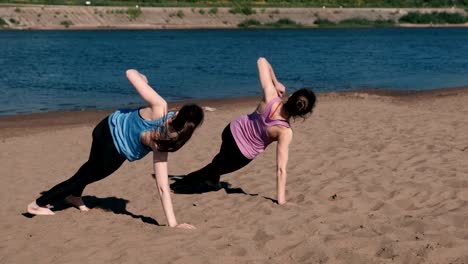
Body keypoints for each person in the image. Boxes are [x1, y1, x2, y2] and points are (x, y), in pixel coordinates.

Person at [27, 69, 204, 229]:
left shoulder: (160, 109)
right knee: (85, 175)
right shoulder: (165, 138)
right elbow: (163, 186)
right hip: (110, 144)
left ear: (179, 111)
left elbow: (130, 73)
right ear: (190, 130)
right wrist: (173, 223)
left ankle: (74, 197)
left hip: (108, 132)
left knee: (91, 170)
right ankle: (38, 204)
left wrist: (143, 79)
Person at [171, 58, 316, 205]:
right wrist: (281, 200)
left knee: (220, 161)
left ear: (291, 96)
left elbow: (261, 61)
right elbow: (281, 169)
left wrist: (276, 82)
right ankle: (177, 186)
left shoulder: (271, 94)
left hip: (231, 131)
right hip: (241, 154)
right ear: (302, 115)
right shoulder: (285, 132)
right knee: (213, 167)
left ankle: (213, 181)